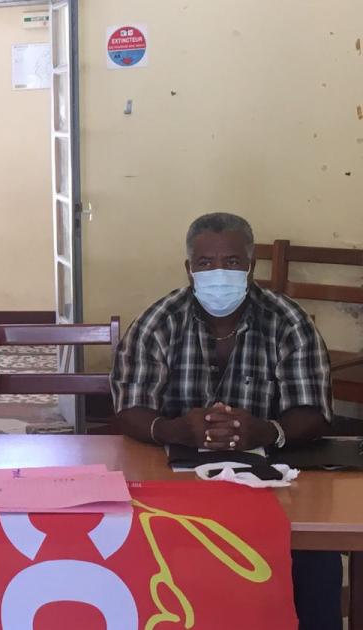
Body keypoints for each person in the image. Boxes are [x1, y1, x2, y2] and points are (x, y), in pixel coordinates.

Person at [112, 212, 339, 630]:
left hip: (273, 483)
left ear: (251, 265)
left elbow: (314, 411)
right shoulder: (159, 321)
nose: (219, 273)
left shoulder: (287, 320)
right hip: (175, 486)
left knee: (315, 556)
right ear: (189, 268)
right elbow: (130, 407)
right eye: (206, 263)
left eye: (232, 262)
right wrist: (174, 430)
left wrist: (267, 431)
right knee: (134, 543)